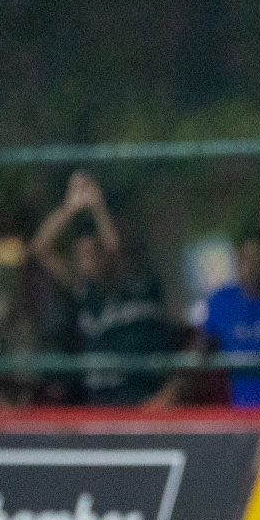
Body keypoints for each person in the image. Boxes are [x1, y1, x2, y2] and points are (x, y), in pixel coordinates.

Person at [31, 171, 172, 405]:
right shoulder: (85, 290)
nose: (87, 260)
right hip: (99, 403)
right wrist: (69, 207)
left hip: (138, 400)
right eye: (81, 255)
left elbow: (114, 251)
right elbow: (39, 249)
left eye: (92, 252)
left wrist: (97, 206)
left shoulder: (135, 283)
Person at [149, 231, 260, 409]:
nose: (252, 267)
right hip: (241, 410)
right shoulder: (222, 301)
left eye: (259, 259)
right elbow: (199, 348)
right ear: (237, 260)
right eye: (246, 259)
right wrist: (169, 394)